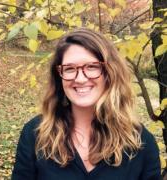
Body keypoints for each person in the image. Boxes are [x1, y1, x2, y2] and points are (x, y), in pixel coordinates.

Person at [11, 28, 162, 180]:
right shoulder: (35, 134)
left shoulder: (141, 143)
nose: (80, 79)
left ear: (109, 72)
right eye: (70, 68)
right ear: (59, 76)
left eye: (92, 67)